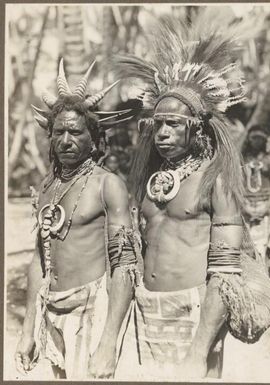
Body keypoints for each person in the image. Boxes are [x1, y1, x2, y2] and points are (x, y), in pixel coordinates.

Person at [114, 15, 270, 381]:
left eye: (174, 124)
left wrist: (199, 351)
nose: (163, 132)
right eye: (158, 124)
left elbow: (225, 273)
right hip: (146, 311)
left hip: (194, 313)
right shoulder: (147, 182)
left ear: (196, 129)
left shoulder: (215, 182)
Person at [15, 59, 140, 380]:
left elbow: (124, 263)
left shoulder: (107, 184)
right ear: (50, 136)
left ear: (94, 138)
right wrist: (27, 328)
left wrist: (109, 340)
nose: (67, 140)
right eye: (59, 132)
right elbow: (38, 259)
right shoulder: (47, 186)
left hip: (91, 312)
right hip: (49, 310)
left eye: (76, 132)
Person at [242, 125, 270, 276]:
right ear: (249, 139)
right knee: (247, 248)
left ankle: (264, 281)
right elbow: (236, 184)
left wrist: (267, 207)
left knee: (262, 247)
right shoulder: (242, 159)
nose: (257, 142)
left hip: (264, 208)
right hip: (246, 207)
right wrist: (244, 207)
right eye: (254, 138)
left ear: (265, 140)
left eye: (260, 139)